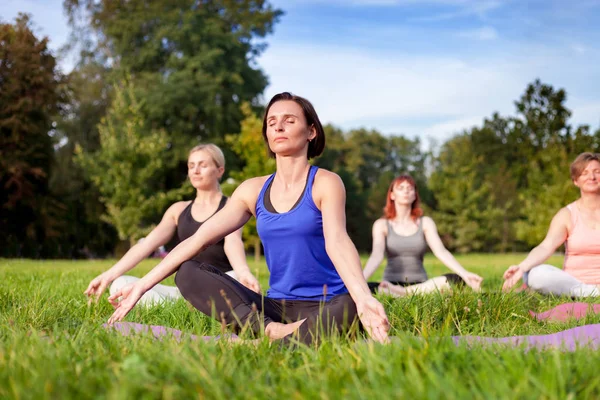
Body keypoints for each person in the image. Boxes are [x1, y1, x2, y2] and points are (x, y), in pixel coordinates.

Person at [107, 92, 390, 345]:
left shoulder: (326, 182)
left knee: (350, 308)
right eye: (271, 122)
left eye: (289, 120)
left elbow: (337, 241)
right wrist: (142, 285)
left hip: (327, 303)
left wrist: (364, 297)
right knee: (189, 271)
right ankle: (269, 332)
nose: (278, 126)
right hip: (275, 307)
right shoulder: (252, 190)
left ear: (311, 132)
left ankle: (253, 342)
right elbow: (198, 240)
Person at [84, 144, 260, 306]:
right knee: (120, 284)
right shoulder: (178, 210)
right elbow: (146, 245)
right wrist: (109, 274)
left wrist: (243, 272)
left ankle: (205, 305)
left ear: (219, 170)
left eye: (203, 165)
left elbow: (233, 241)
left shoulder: (232, 206)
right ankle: (189, 305)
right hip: (185, 290)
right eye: (191, 166)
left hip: (219, 285)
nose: (196, 171)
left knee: (235, 277)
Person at [363, 175, 483, 297]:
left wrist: (464, 274)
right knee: (370, 287)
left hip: (421, 284)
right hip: (390, 283)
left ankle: (402, 293)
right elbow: (376, 257)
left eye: (410, 188)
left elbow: (441, 252)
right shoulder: (381, 224)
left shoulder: (426, 223)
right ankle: (404, 293)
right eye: (401, 188)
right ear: (392, 195)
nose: (406, 191)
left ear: (415, 195)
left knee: (455, 279)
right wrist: (360, 281)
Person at [503, 152, 600, 297]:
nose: (591, 177)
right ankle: (591, 293)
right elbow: (546, 246)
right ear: (575, 180)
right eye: (584, 173)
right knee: (535, 275)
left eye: (597, 172)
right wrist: (522, 267)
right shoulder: (566, 214)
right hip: (572, 284)